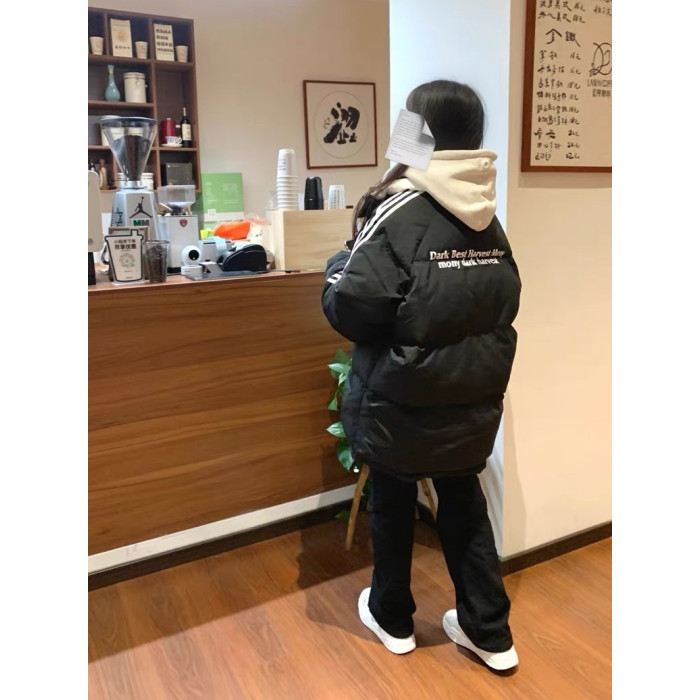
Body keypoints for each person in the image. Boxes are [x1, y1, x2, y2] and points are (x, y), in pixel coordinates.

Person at [321, 79, 522, 671]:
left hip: (400, 399)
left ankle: (392, 617)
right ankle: (490, 632)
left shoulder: (399, 207)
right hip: (471, 395)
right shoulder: (486, 214)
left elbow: (349, 308)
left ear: (417, 133)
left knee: (392, 498)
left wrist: (339, 262)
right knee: (464, 503)